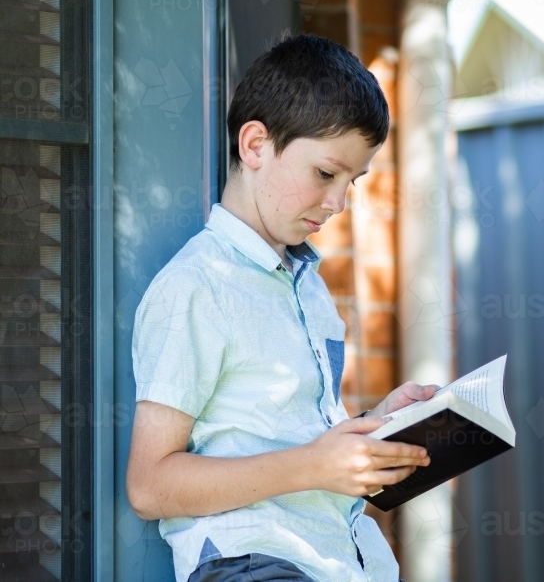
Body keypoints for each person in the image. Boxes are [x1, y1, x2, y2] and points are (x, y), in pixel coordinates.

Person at [126, 33, 435, 582]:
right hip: (254, 563)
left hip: (338, 561)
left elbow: (290, 435)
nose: (338, 203)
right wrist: (315, 465)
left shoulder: (307, 284)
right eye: (325, 173)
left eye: (351, 182)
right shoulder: (196, 286)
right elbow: (149, 487)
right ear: (255, 146)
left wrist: (376, 426)